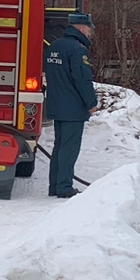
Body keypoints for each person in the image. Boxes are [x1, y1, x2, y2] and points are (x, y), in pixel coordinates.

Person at [43, 12, 99, 198]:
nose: (90, 33)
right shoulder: (77, 49)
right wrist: (91, 102)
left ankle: (55, 185)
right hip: (73, 107)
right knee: (69, 147)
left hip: (56, 104)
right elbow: (82, 79)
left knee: (59, 146)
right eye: (89, 29)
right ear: (81, 28)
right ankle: (65, 187)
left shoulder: (54, 46)